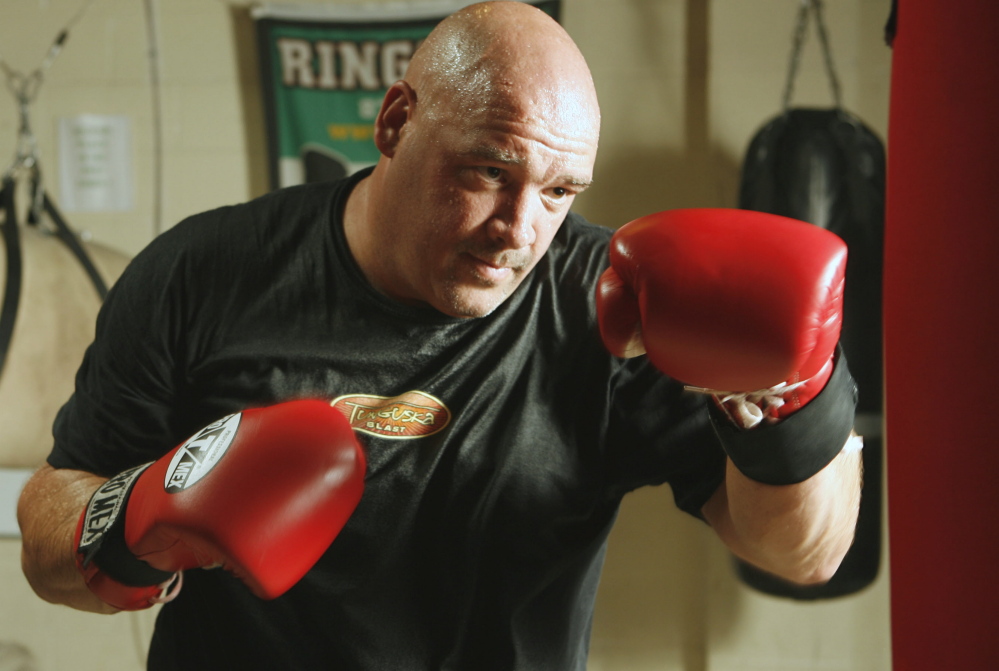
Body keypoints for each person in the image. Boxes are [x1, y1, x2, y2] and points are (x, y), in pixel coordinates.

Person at [17, 2, 862, 669]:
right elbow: (47, 536)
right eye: (490, 171)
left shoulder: (612, 302)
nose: (519, 229)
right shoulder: (202, 274)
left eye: (561, 191)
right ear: (394, 123)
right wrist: (135, 517)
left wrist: (793, 399)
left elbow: (805, 554)